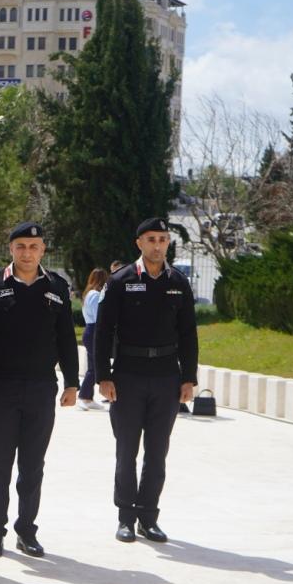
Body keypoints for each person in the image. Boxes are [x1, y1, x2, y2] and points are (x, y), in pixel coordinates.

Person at [95, 218, 198, 544]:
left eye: (163, 239)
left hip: (166, 377)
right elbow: (103, 332)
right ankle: (126, 517)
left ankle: (149, 517)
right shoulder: (121, 280)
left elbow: (188, 333)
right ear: (139, 243)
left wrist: (189, 377)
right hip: (128, 376)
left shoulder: (178, 282)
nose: (157, 245)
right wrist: (103, 376)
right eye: (151, 239)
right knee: (127, 451)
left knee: (157, 452)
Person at [0, 222, 79, 559]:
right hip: (2, 388)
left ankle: (26, 531)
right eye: (20, 246)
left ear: (42, 250)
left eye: (33, 247)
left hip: (41, 387)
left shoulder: (56, 287)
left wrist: (72, 382)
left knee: (33, 465)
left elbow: (66, 338)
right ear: (11, 249)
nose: (27, 253)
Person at [78, 267, 108, 411]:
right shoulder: (96, 295)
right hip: (94, 330)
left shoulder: (88, 293)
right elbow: (99, 317)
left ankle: (88, 398)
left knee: (93, 366)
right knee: (95, 367)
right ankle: (83, 396)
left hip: (89, 329)